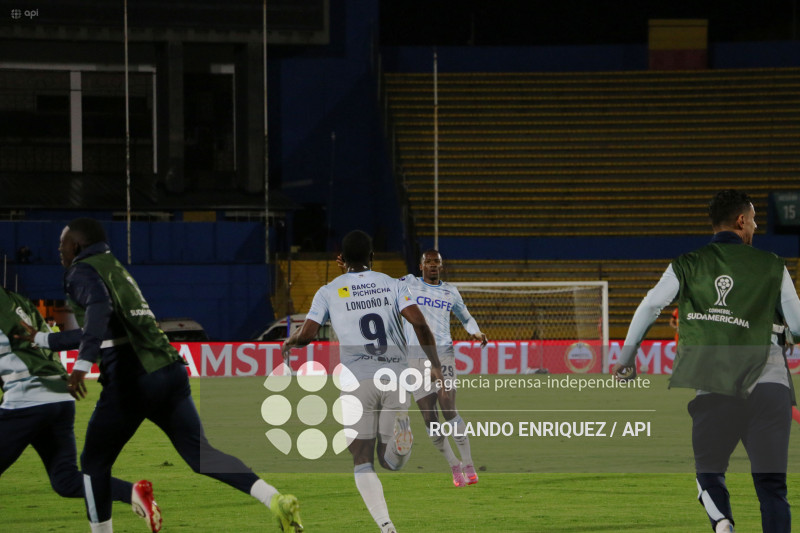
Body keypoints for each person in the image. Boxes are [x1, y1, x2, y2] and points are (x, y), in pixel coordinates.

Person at [24, 218, 303, 533]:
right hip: (169, 370)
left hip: (132, 378)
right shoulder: (114, 267)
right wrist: (42, 339)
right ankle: (274, 499)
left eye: (62, 243)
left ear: (75, 244)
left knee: (93, 465)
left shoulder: (80, 271)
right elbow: (99, 328)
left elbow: (99, 311)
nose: (59, 250)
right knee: (202, 456)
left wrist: (82, 365)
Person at [613, 190, 800, 533]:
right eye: (755, 219)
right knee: (773, 489)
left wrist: (627, 359)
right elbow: (799, 326)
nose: (756, 226)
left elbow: (650, 305)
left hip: (714, 385)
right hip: (769, 384)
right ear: (741, 221)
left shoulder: (687, 263)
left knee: (709, 472)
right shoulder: (773, 265)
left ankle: (723, 523)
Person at [283, 230, 444, 533]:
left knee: (362, 458)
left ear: (340, 259)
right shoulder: (393, 284)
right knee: (391, 461)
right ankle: (401, 432)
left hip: (357, 382)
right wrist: (434, 366)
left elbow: (306, 335)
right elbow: (420, 324)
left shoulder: (328, 291)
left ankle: (386, 527)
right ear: (372, 257)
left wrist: (290, 342)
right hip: (395, 378)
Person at [0, 285, 161, 531]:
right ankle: (131, 492)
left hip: (28, 397)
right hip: (59, 396)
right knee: (65, 480)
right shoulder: (19, 301)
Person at [400, 249, 487, 487]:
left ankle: (468, 463)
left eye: (436, 262)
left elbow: (465, 317)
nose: (432, 266)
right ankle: (453, 465)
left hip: (444, 354)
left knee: (448, 406)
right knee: (430, 418)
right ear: (421, 267)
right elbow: (381, 287)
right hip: (415, 358)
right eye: (428, 262)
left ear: (442, 266)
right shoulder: (407, 283)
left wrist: (475, 331)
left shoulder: (450, 291)